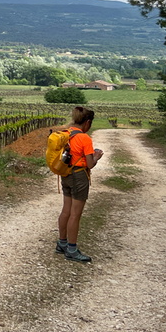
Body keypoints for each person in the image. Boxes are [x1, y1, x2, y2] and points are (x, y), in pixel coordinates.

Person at [55, 105, 103, 263]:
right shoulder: (84, 138)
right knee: (76, 214)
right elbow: (90, 164)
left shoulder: (66, 133)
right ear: (87, 122)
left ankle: (62, 243)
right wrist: (96, 156)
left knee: (66, 211)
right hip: (79, 176)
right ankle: (72, 249)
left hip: (66, 174)